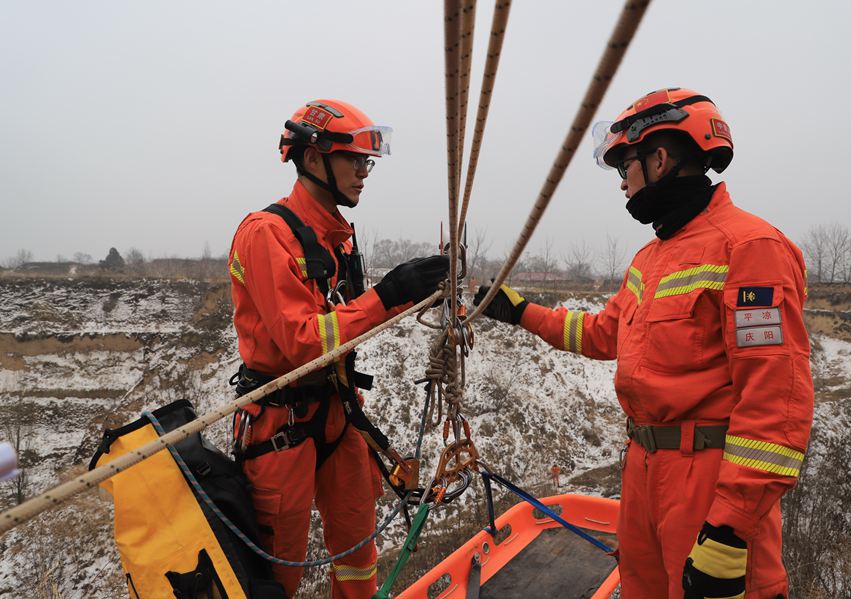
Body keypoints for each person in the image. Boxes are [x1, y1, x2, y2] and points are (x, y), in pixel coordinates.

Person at [475, 88, 812, 599]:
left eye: (623, 168)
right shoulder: (650, 259)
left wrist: (730, 525)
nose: (622, 184)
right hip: (644, 469)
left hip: (707, 482)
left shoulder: (749, 248)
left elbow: (775, 400)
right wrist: (521, 312)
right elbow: (604, 333)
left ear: (659, 158)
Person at [227, 99, 449, 598]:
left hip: (337, 411)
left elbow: (348, 323)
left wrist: (409, 292)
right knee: (277, 567)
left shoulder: (338, 239)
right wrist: (388, 295)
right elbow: (304, 341)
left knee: (356, 551)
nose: (364, 173)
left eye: (367, 162)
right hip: (281, 423)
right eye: (355, 160)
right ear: (312, 159)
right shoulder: (267, 235)